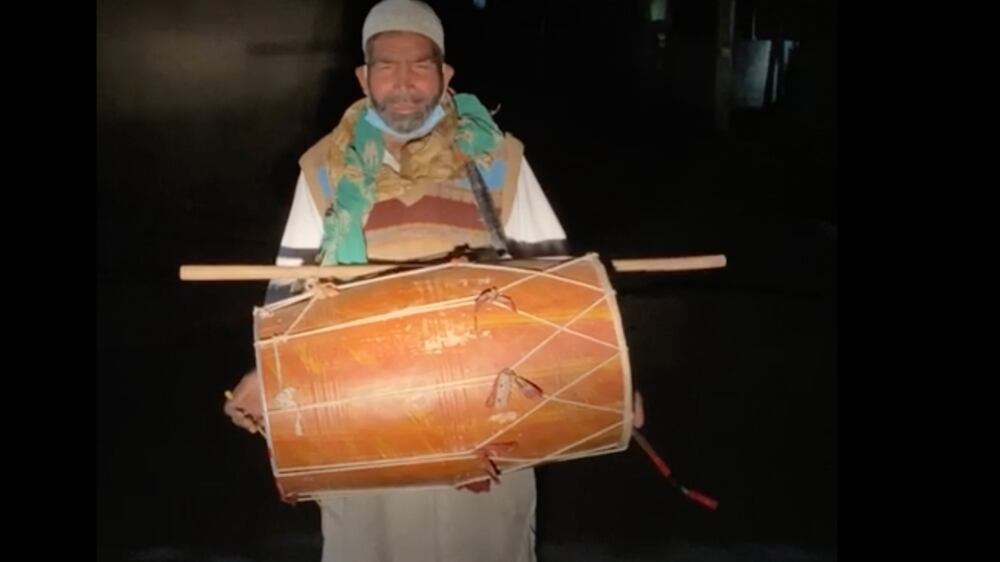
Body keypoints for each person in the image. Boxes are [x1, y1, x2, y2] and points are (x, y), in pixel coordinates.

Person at [223, 1, 642, 560]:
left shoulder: (496, 160)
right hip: (367, 420)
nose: (402, 83)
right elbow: (292, 290)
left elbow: (558, 282)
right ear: (363, 77)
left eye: (419, 66)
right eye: (386, 67)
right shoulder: (325, 170)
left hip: (485, 422)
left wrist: (606, 379)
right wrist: (266, 377)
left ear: (444, 76)